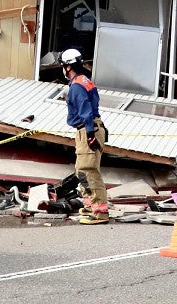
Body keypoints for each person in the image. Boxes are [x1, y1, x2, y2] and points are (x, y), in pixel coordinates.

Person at [60, 48, 109, 225]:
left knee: (88, 171)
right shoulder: (84, 81)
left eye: (63, 66)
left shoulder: (77, 86)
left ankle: (100, 213)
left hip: (87, 129)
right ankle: (90, 206)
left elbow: (86, 111)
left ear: (68, 67)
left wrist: (89, 134)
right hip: (91, 128)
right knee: (82, 170)